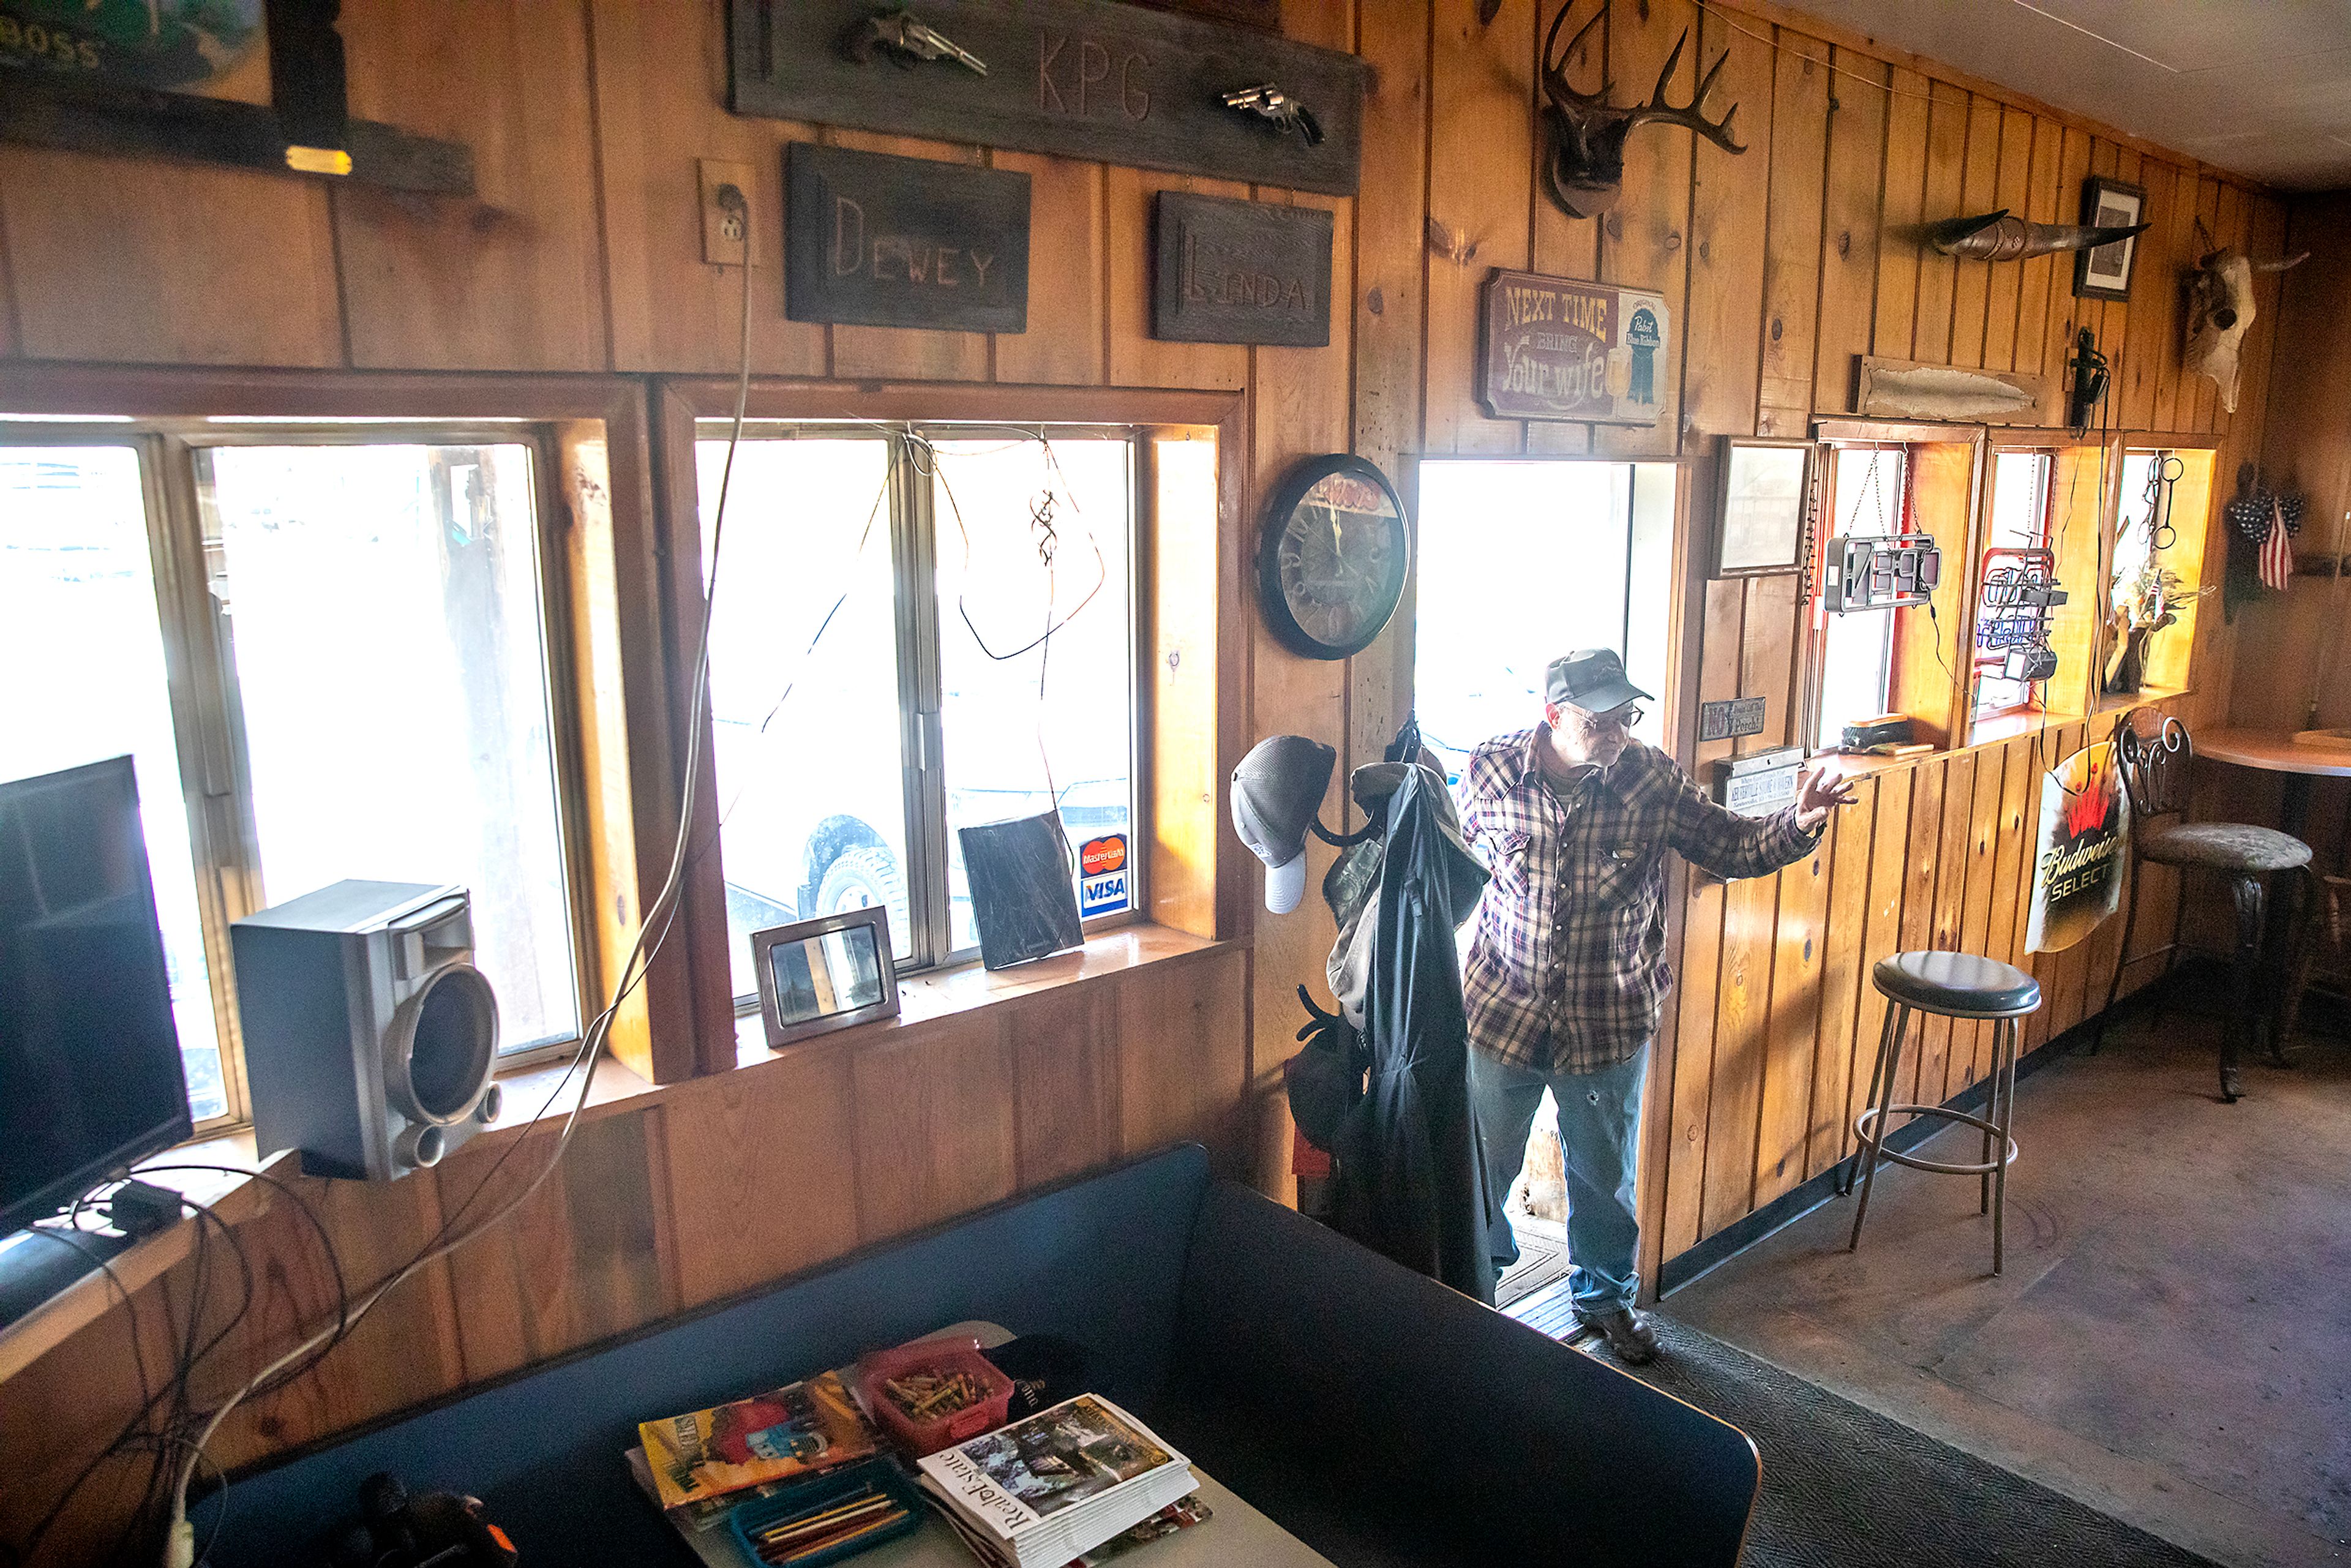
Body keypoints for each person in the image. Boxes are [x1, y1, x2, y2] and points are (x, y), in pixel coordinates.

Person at [1459, 648, 1854, 1363]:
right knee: (1481, 1164)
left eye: (1626, 716)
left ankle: (1605, 1300)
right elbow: (1454, 860)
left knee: (1604, 1178)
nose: (1618, 731)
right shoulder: (1489, 770)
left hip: (1608, 1019)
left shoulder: (1651, 778)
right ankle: (1472, 1289)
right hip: (1501, 1013)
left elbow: (1731, 844)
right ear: (1552, 717)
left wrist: (1799, 820)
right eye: (1599, 719)